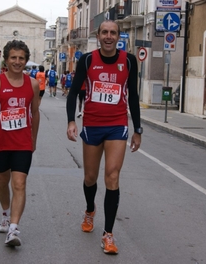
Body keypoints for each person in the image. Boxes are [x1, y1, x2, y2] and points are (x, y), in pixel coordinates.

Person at [66, 20, 142, 255]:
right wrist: (71, 121)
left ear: (119, 36)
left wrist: (137, 129)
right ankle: (90, 210)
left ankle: (108, 234)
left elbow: (133, 97)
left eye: (113, 33)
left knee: (112, 175)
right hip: (92, 125)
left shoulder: (128, 61)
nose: (109, 36)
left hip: (117, 125)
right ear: (98, 36)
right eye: (105, 33)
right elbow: (73, 93)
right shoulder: (87, 60)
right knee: (90, 177)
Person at [0, 39, 40, 247]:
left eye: (21, 58)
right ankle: (5, 213)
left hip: (22, 143)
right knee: (2, 182)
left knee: (19, 183)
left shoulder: (33, 84)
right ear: (6, 59)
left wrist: (34, 139)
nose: (17, 61)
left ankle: (13, 228)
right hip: (1, 142)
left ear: (26, 60)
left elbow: (35, 113)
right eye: (13, 57)